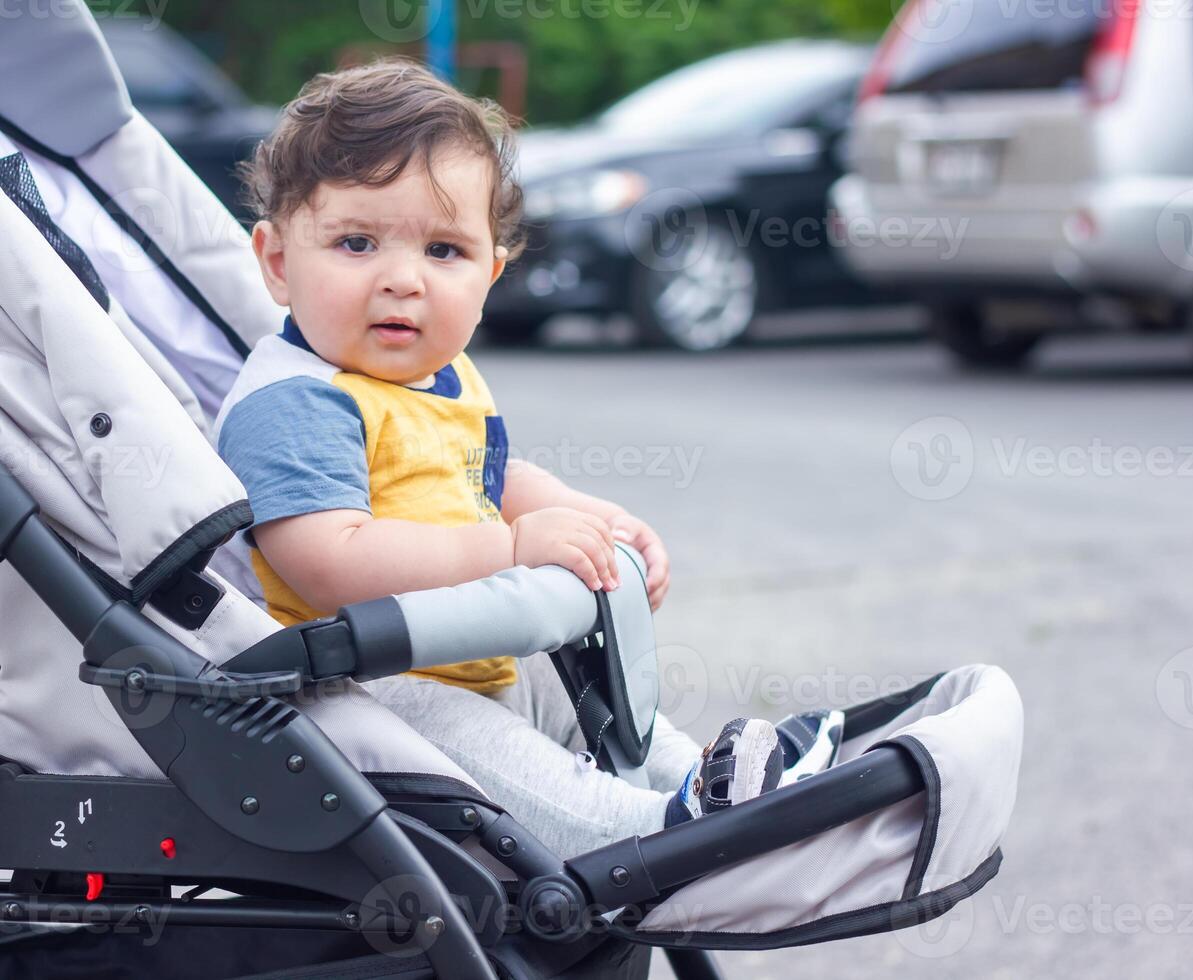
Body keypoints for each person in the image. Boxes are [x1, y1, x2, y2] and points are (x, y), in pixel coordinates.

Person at [216, 58, 782, 856]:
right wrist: (512, 549)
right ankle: (652, 840)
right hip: (360, 694)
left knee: (591, 697)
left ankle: (711, 786)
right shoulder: (299, 401)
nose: (403, 280)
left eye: (444, 251)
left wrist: (588, 517)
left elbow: (487, 478)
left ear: (492, 272)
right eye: (356, 242)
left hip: (466, 658)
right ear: (277, 262)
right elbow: (327, 560)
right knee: (506, 763)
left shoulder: (438, 379)